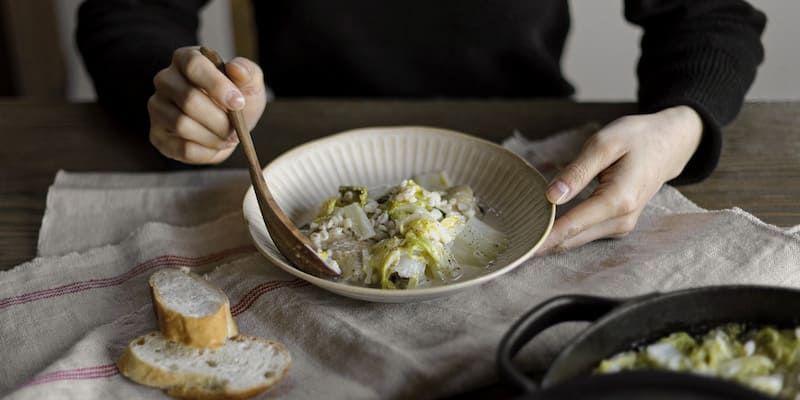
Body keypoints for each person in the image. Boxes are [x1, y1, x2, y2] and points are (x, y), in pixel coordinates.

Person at [76, 0, 766, 254]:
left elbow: (708, 16)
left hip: (537, 164)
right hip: (293, 150)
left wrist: (682, 120)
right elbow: (128, 14)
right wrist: (178, 94)